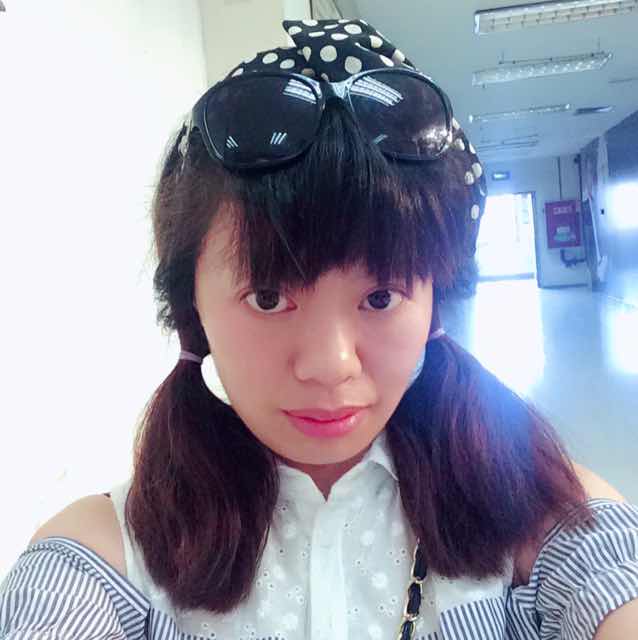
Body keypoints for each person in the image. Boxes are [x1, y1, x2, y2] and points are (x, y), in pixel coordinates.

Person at [2, 17, 637, 640]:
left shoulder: (530, 509)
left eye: (381, 296)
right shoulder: (113, 552)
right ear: (192, 306)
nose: (331, 365)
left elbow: (609, 577)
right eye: (269, 297)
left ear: (434, 303)